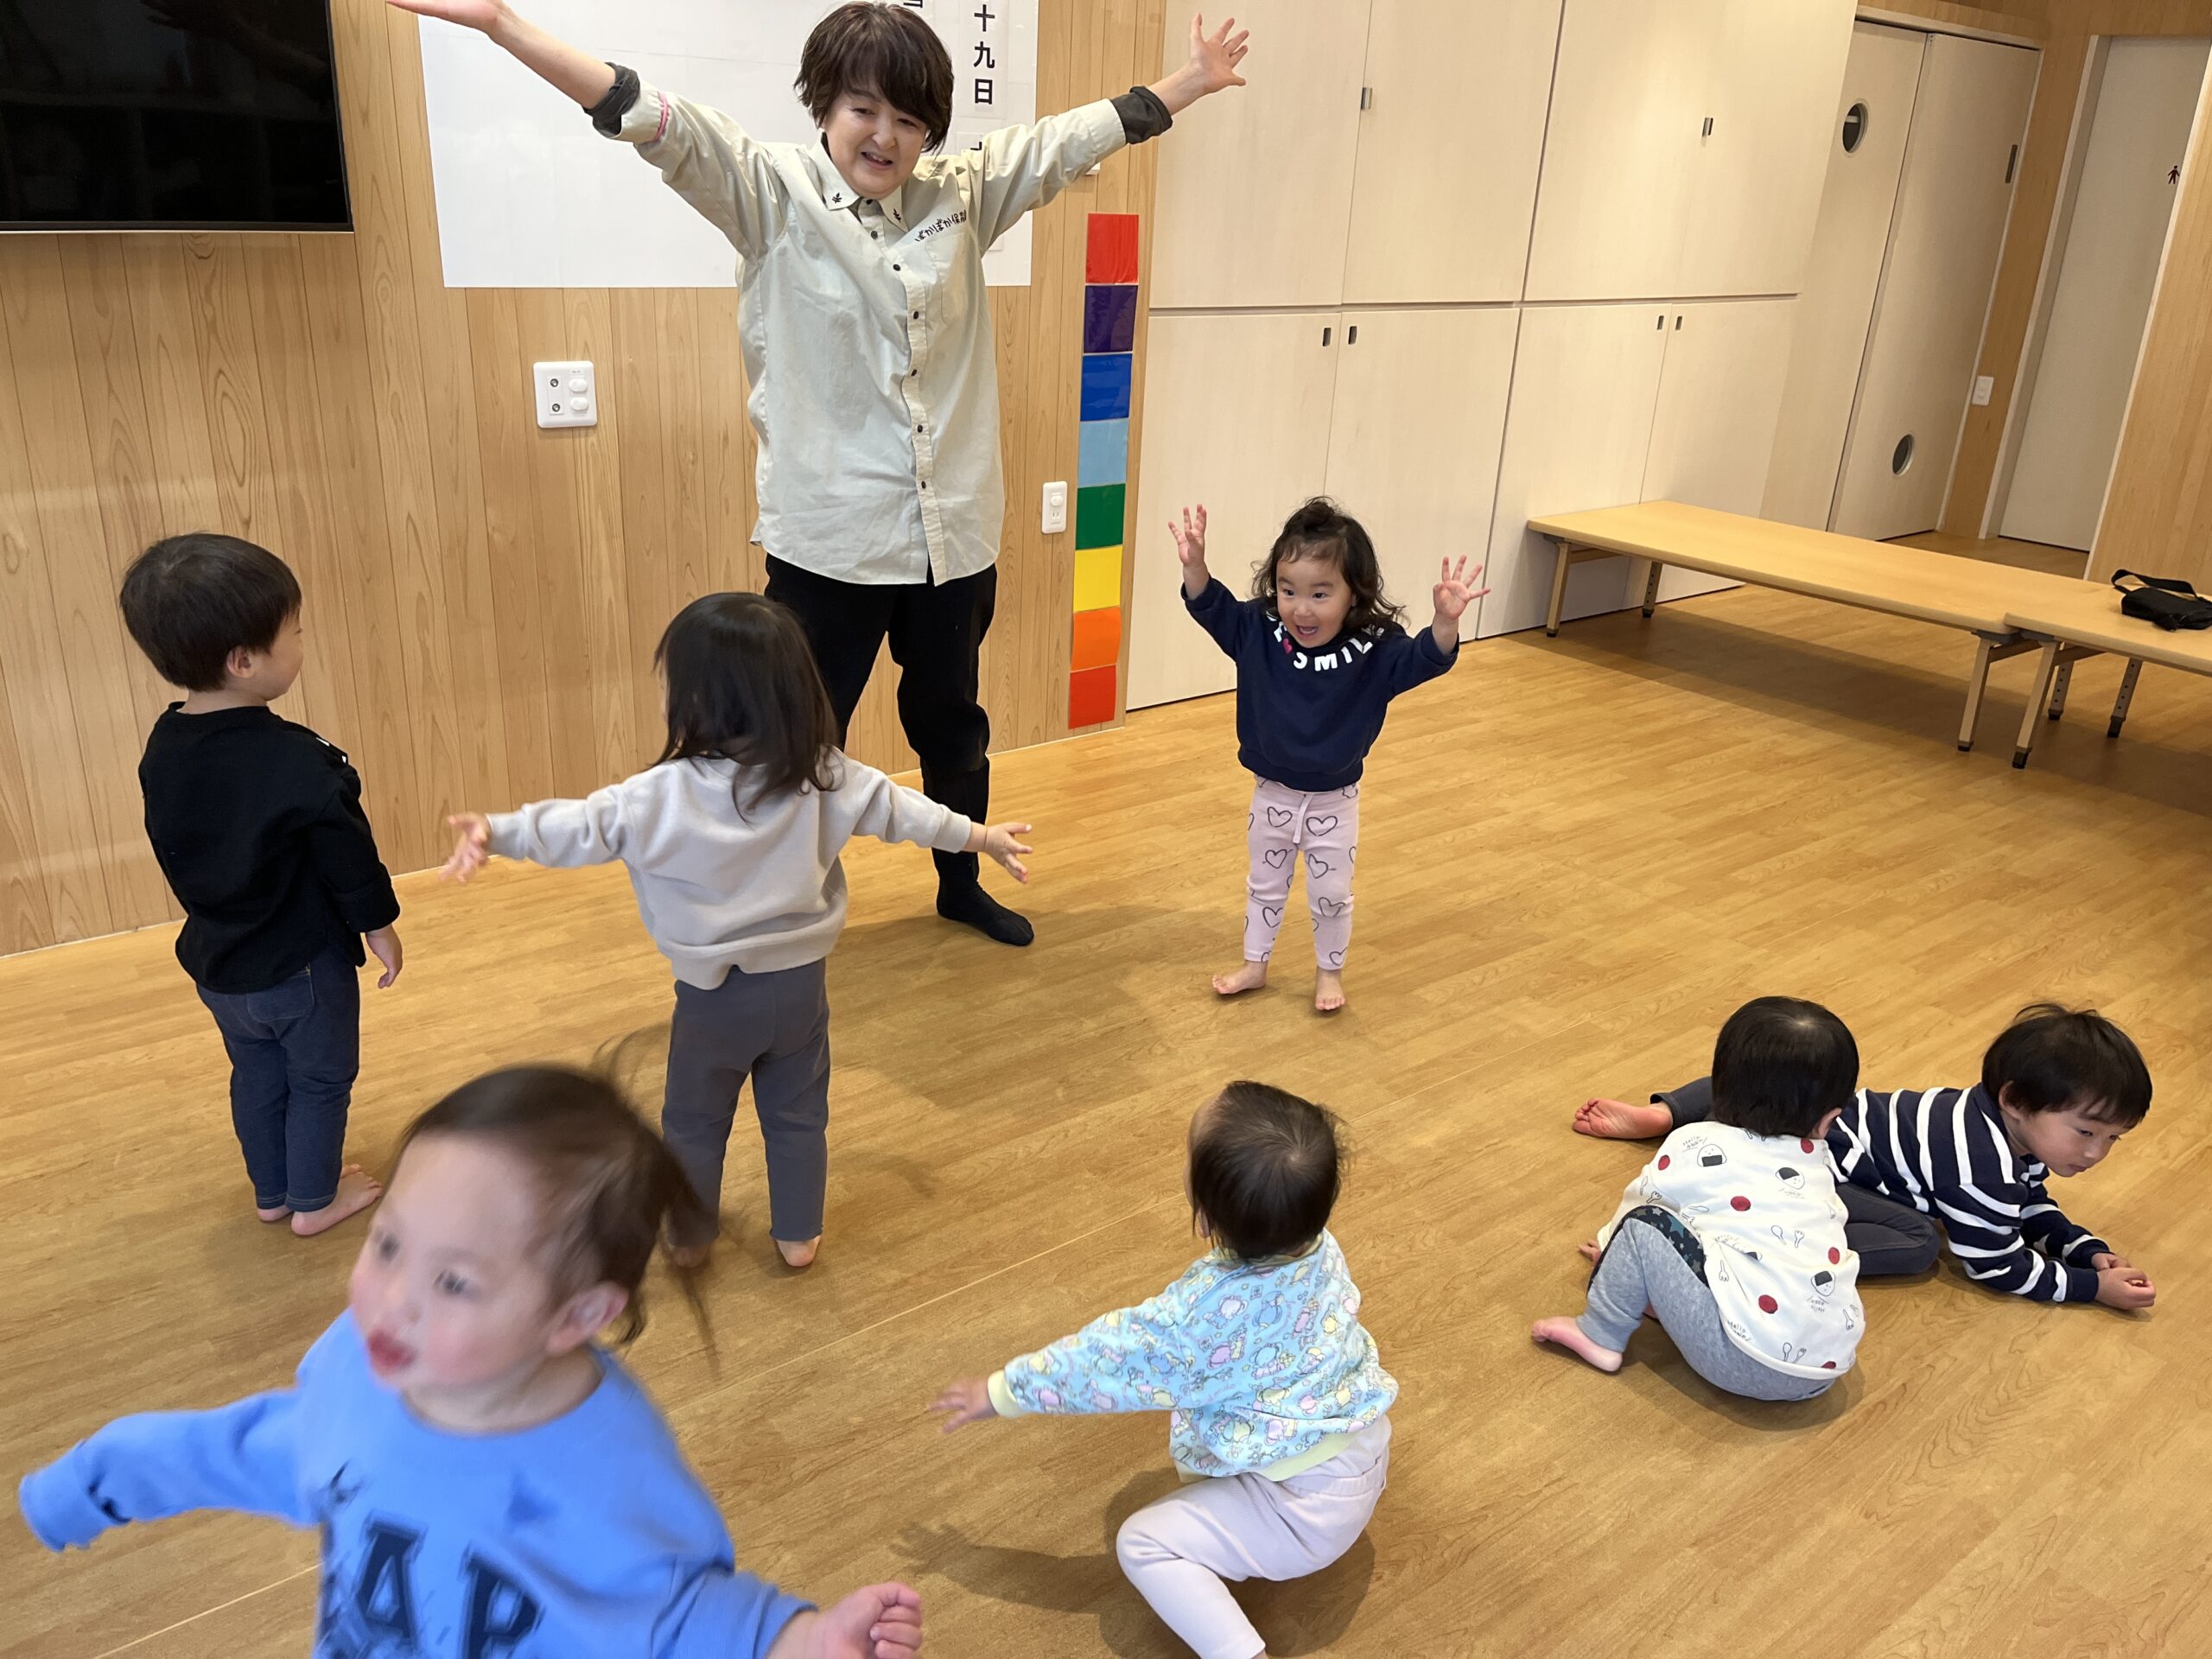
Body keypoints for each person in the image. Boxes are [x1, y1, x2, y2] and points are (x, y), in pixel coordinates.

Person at [385, 0, 1253, 949]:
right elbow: (642, 111)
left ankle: (960, 883)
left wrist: (1193, 82)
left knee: (952, 724)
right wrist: (504, 25)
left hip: (949, 536)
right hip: (829, 543)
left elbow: (1071, 136)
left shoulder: (961, 194)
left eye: (910, 118)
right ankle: (783, 902)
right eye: (864, 109)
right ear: (825, 105)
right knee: (799, 739)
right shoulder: (768, 191)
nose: (886, 136)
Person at [17, 1065, 924, 1659]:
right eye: (386, 1244)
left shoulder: (609, 1464)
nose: (395, 1296)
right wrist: (97, 1481)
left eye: (454, 1282)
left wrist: (802, 1639)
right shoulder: (360, 1367)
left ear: (580, 1316)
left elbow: (677, 1606)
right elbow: (260, 1446)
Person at [442, 593, 1032, 1271]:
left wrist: (500, 831)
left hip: (712, 1001)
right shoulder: (825, 773)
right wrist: (982, 836)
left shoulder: (659, 795)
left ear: (697, 702)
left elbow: (578, 828)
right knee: (798, 1118)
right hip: (799, 996)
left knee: (694, 1122)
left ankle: (691, 1236)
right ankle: (799, 1237)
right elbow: (908, 813)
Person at [933, 1081, 1394, 1659]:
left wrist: (1003, 1391)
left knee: (1144, 1543)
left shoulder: (1194, 1322)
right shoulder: (1318, 1244)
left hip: (1304, 1515)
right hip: (1365, 1445)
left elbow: (1105, 1359)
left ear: (1204, 1218)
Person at [117, 532, 398, 1236]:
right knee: (320, 1079)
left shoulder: (165, 745)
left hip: (220, 965)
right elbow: (349, 859)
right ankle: (314, 1201)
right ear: (244, 660)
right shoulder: (300, 764)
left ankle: (272, 1193)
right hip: (300, 967)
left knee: (257, 1075)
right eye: (294, 633)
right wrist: (379, 925)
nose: (301, 643)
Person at [1572, 1002, 2156, 1309]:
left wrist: (2086, 1251)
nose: (2097, 1152)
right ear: (2017, 1100)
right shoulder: (1982, 1169)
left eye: (2112, 1139)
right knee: (1921, 1243)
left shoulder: (1990, 1120)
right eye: (2086, 1132)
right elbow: (1997, 1263)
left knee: (1782, 1081)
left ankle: (1670, 1113)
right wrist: (2088, 1288)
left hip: (1824, 1118)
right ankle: (1733, 1244)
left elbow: (2030, 1204)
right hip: (1811, 1169)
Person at [1169, 499, 1484, 1013]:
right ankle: (1255, 964)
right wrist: (1195, 566)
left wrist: (1444, 622)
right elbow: (1214, 608)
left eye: (1320, 593)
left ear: (1354, 593)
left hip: (1335, 803)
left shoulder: (1375, 647)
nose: (1302, 608)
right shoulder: (1260, 631)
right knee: (1264, 886)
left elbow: (1424, 657)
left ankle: (1329, 973)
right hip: (1271, 793)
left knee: (1331, 894)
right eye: (1289, 591)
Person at [1535, 996, 1867, 1400]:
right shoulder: (1818, 1165)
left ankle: (1600, 1334)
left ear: (1716, 1086)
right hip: (1824, 1370)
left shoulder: (1695, 1142)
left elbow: (1642, 1207)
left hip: (1743, 1361)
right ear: (1829, 1119)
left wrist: (1611, 1256)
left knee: (1645, 1223)